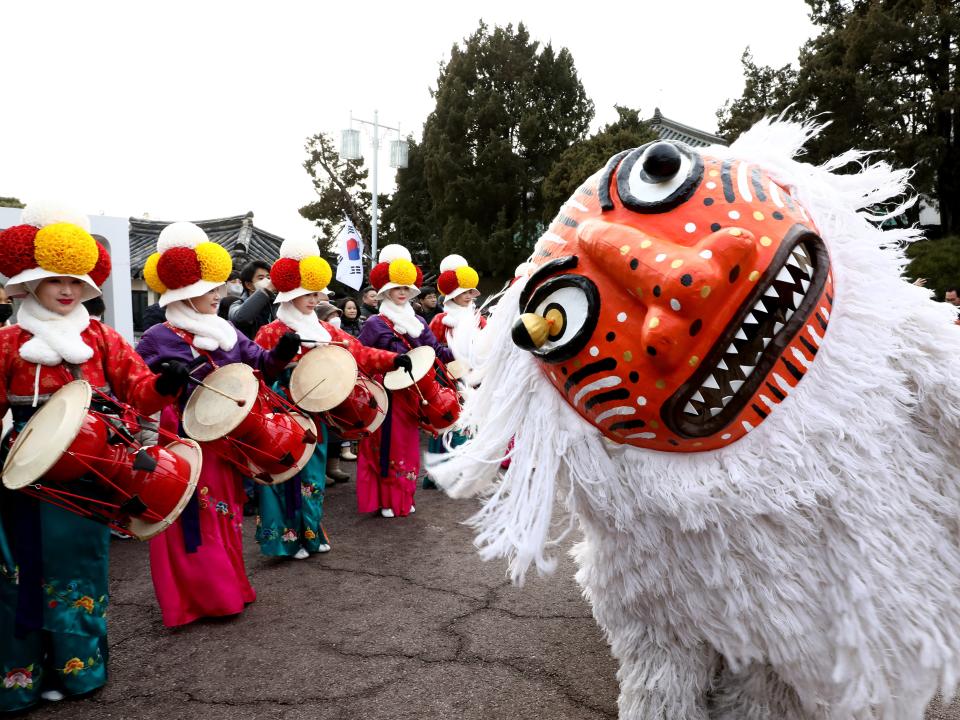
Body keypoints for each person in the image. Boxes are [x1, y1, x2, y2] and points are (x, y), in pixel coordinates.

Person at [0, 205, 187, 712]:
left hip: (89, 470)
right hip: (20, 473)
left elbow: (140, 391)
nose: (67, 289)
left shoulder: (101, 338)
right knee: (16, 571)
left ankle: (79, 672)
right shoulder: (8, 342)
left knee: (79, 569)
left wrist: (165, 382)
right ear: (29, 283)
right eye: (54, 280)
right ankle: (20, 679)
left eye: (75, 281)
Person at [135, 222, 300, 627]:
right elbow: (139, 388)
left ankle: (230, 585)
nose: (219, 295)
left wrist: (280, 354)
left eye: (218, 288)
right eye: (211, 290)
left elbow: (259, 364)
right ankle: (203, 599)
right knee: (198, 514)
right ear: (187, 293)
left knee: (225, 511)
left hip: (227, 436)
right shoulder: (157, 335)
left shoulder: (225, 331)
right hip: (185, 435)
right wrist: (164, 383)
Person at [252, 239, 406, 558]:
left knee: (312, 475)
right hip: (281, 415)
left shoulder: (326, 330)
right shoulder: (270, 332)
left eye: (314, 294)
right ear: (290, 295)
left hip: (318, 412)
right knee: (284, 476)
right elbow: (258, 373)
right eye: (306, 294)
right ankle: (286, 539)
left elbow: (359, 351)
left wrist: (392, 359)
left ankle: (311, 530)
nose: (313, 300)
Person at [357, 245, 453, 518]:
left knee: (408, 446)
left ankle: (403, 495)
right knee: (384, 445)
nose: (402, 292)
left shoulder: (419, 321)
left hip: (413, 393)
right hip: (386, 393)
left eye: (406, 288)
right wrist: (388, 360)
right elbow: (360, 356)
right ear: (385, 291)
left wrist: (465, 348)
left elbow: (436, 351)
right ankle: (385, 498)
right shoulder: (375, 323)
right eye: (396, 288)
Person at [423, 255, 485, 488]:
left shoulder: (478, 318)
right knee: (449, 421)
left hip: (473, 378)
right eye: (466, 291)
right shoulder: (440, 319)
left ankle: (464, 469)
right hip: (447, 380)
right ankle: (443, 472)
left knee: (471, 421)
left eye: (471, 292)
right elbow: (429, 350)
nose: (470, 296)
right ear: (453, 294)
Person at [227, 259, 275, 339]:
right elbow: (241, 318)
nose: (267, 281)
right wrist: (266, 291)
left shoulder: (276, 304)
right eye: (261, 278)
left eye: (268, 277)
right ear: (249, 285)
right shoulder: (236, 305)